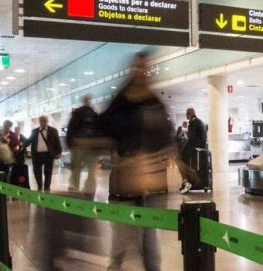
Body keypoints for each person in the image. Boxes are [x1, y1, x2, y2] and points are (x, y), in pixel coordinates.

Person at [99, 51, 174, 270]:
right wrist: (118, 155)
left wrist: (172, 158)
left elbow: (166, 137)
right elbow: (105, 129)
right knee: (121, 237)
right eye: (138, 67)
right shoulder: (121, 101)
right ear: (132, 70)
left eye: (146, 67)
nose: (142, 72)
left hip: (152, 181)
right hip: (125, 179)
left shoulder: (154, 102)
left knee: (149, 236)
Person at [66, 95, 102, 195]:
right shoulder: (94, 114)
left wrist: (70, 144)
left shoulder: (77, 114)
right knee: (91, 172)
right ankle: (89, 192)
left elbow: (71, 129)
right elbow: (99, 131)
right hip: (91, 147)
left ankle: (74, 191)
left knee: (76, 171)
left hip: (78, 146)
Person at [26, 115, 62, 192]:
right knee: (37, 172)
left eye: (45, 120)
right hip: (37, 155)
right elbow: (29, 140)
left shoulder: (53, 131)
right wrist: (22, 145)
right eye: (42, 120)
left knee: (48, 172)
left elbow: (57, 142)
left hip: (48, 155)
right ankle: (39, 186)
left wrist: (59, 152)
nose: (43, 122)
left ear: (47, 121)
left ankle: (47, 187)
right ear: (39, 122)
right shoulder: (34, 131)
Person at [178, 107, 207, 193]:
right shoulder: (199, 121)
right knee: (183, 160)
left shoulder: (193, 122)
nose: (186, 115)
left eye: (187, 113)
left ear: (190, 113)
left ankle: (186, 182)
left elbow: (191, 139)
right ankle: (186, 182)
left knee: (178, 159)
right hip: (200, 149)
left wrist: (182, 150)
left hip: (194, 149)